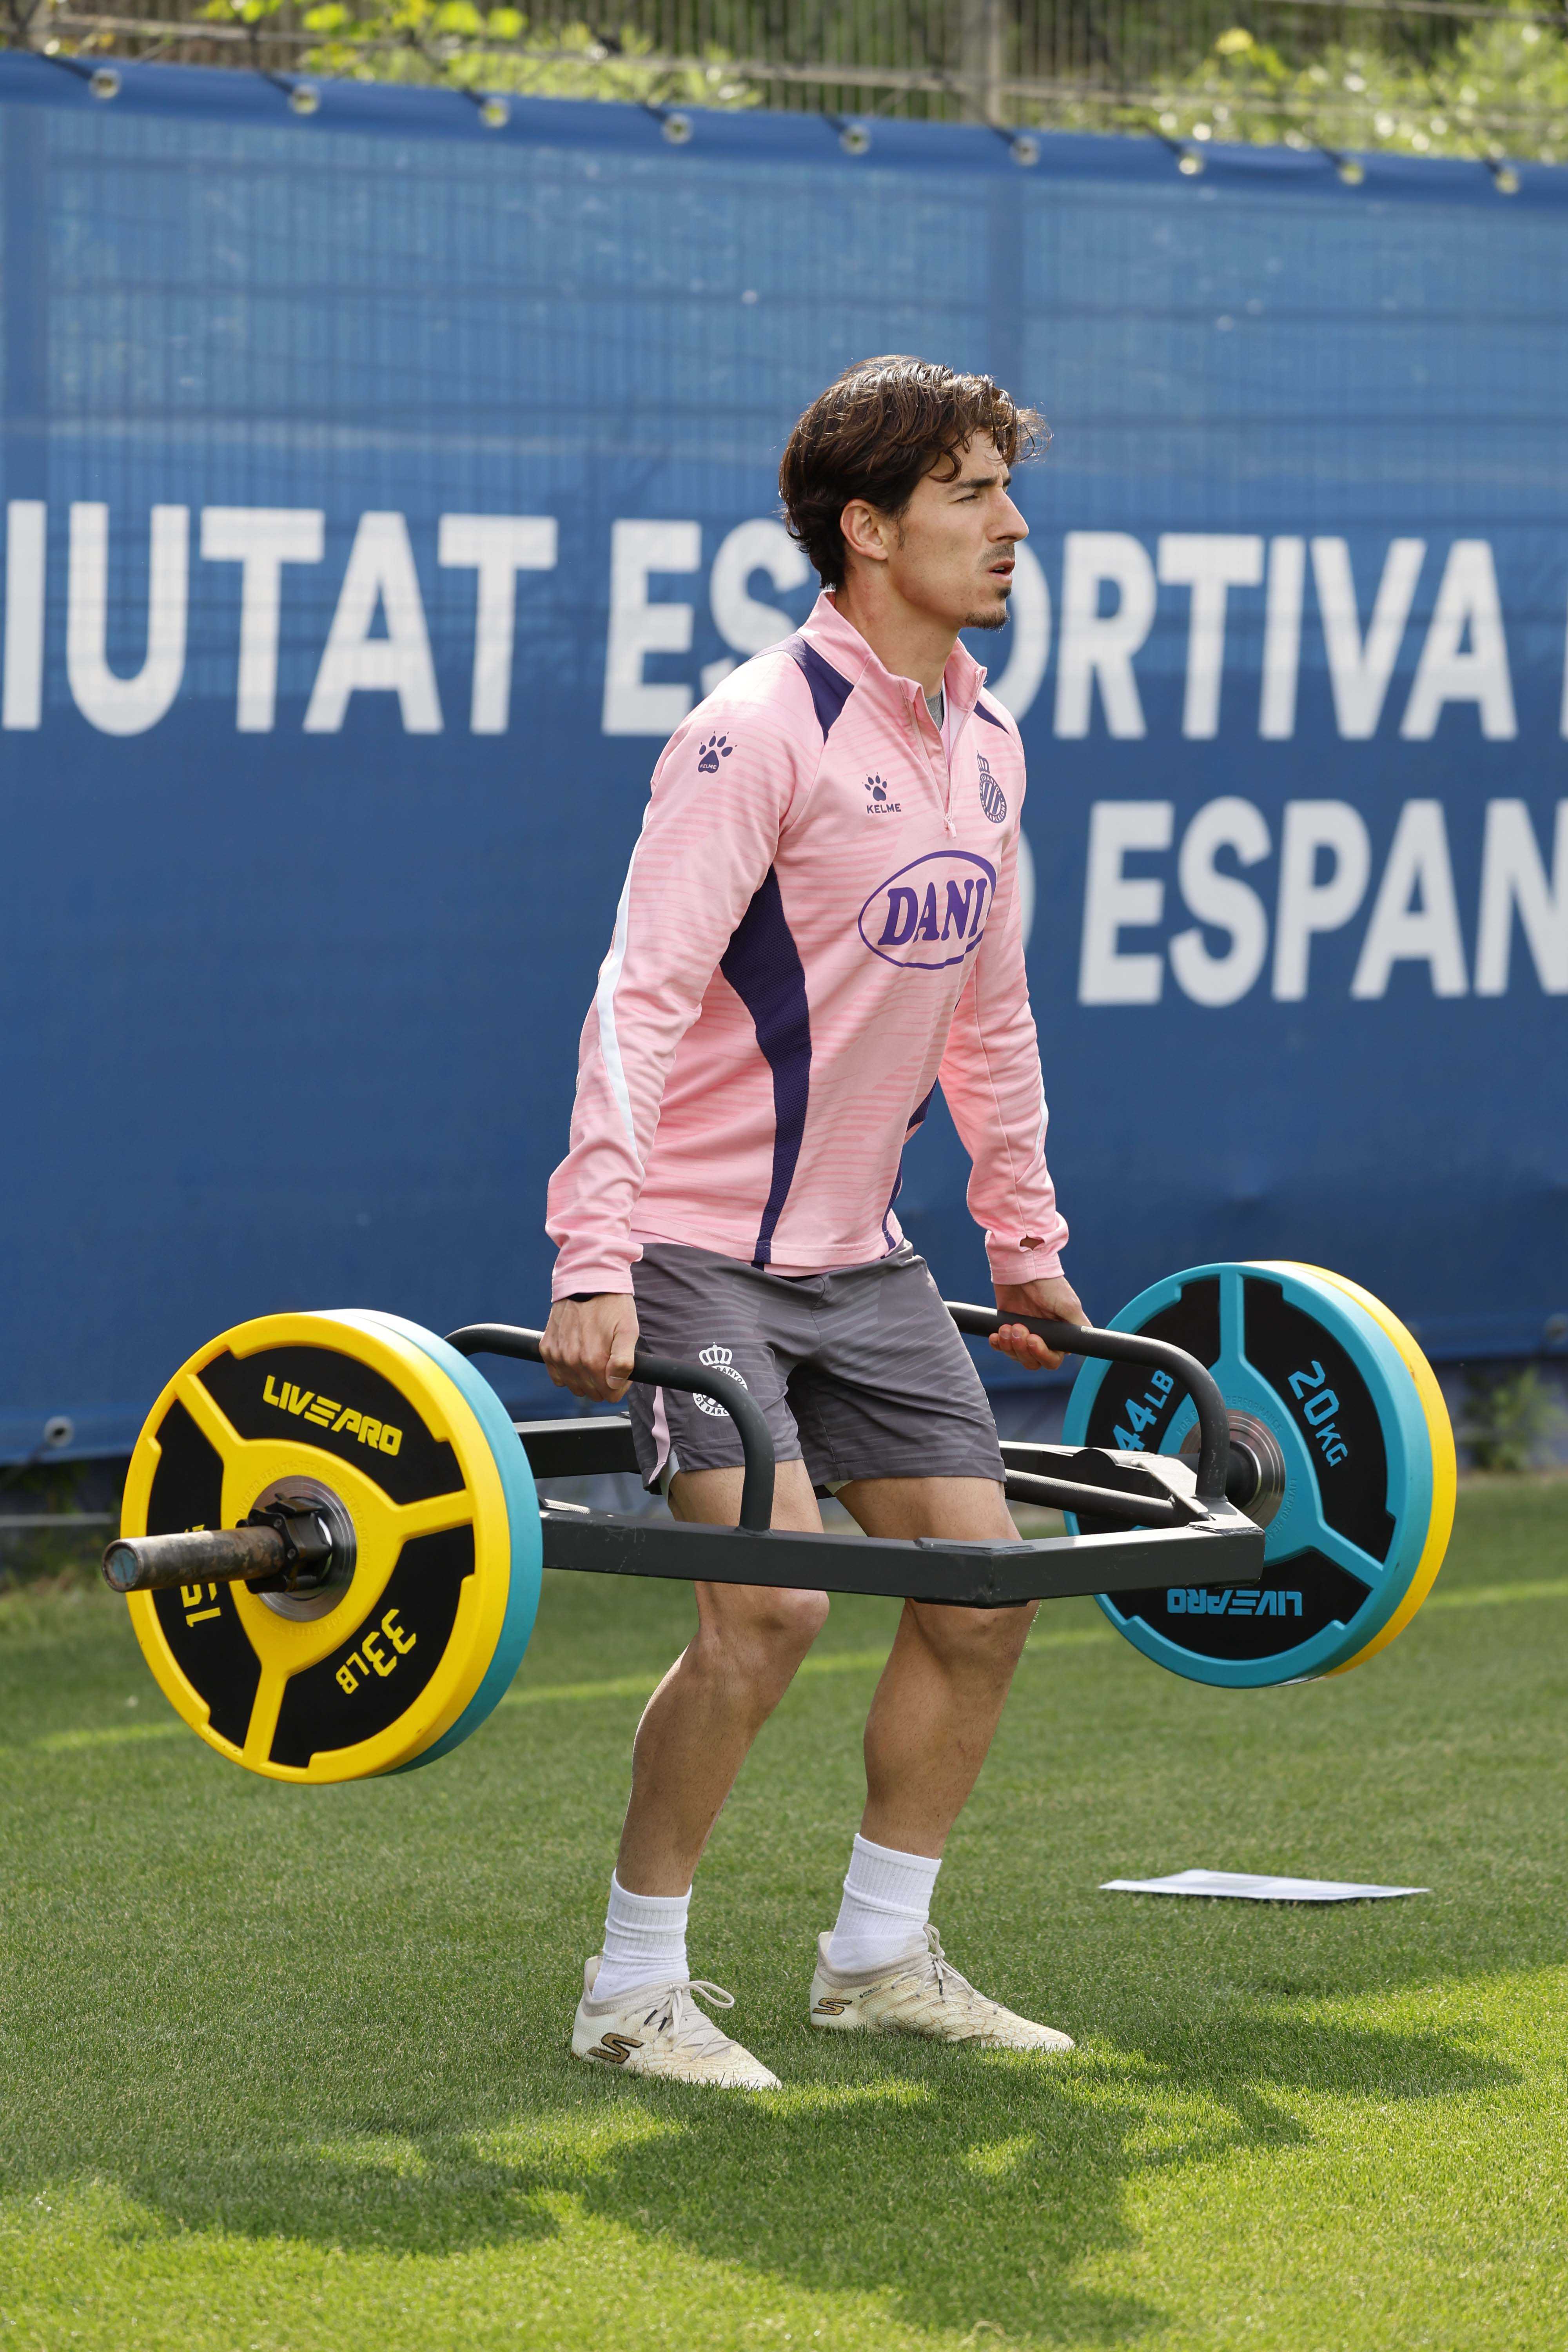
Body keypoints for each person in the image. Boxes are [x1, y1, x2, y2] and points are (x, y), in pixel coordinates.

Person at [541, 355, 1089, 2088]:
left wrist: (1024, 1243)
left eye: (1006, 489)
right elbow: (637, 998)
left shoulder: (986, 741)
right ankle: (633, 1986)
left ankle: (877, 1960)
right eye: (969, 495)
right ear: (867, 528)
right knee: (770, 1609)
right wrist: (596, 1255)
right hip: (696, 1251)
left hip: (867, 1260)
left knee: (982, 1592)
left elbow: (990, 1019)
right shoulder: (755, 731)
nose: (1010, 525)